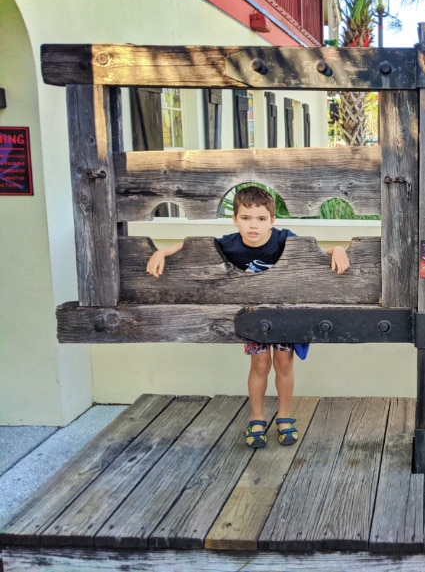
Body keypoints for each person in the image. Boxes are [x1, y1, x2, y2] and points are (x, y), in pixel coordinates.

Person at [146, 186, 350, 449]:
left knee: (284, 365)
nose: (253, 226)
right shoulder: (229, 243)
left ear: (272, 220)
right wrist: (161, 251)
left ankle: (285, 416)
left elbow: (315, 253)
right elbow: (191, 246)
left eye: (261, 219)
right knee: (260, 365)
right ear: (235, 219)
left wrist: (338, 249)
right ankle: (257, 417)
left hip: (285, 314)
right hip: (253, 318)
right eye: (246, 218)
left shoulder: (285, 239)